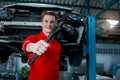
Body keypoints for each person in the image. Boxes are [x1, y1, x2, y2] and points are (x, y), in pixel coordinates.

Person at [22, 11, 61, 80]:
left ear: (55, 25)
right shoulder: (33, 38)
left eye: (51, 22)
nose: (49, 24)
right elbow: (25, 45)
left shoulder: (58, 45)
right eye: (46, 21)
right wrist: (33, 47)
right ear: (42, 24)